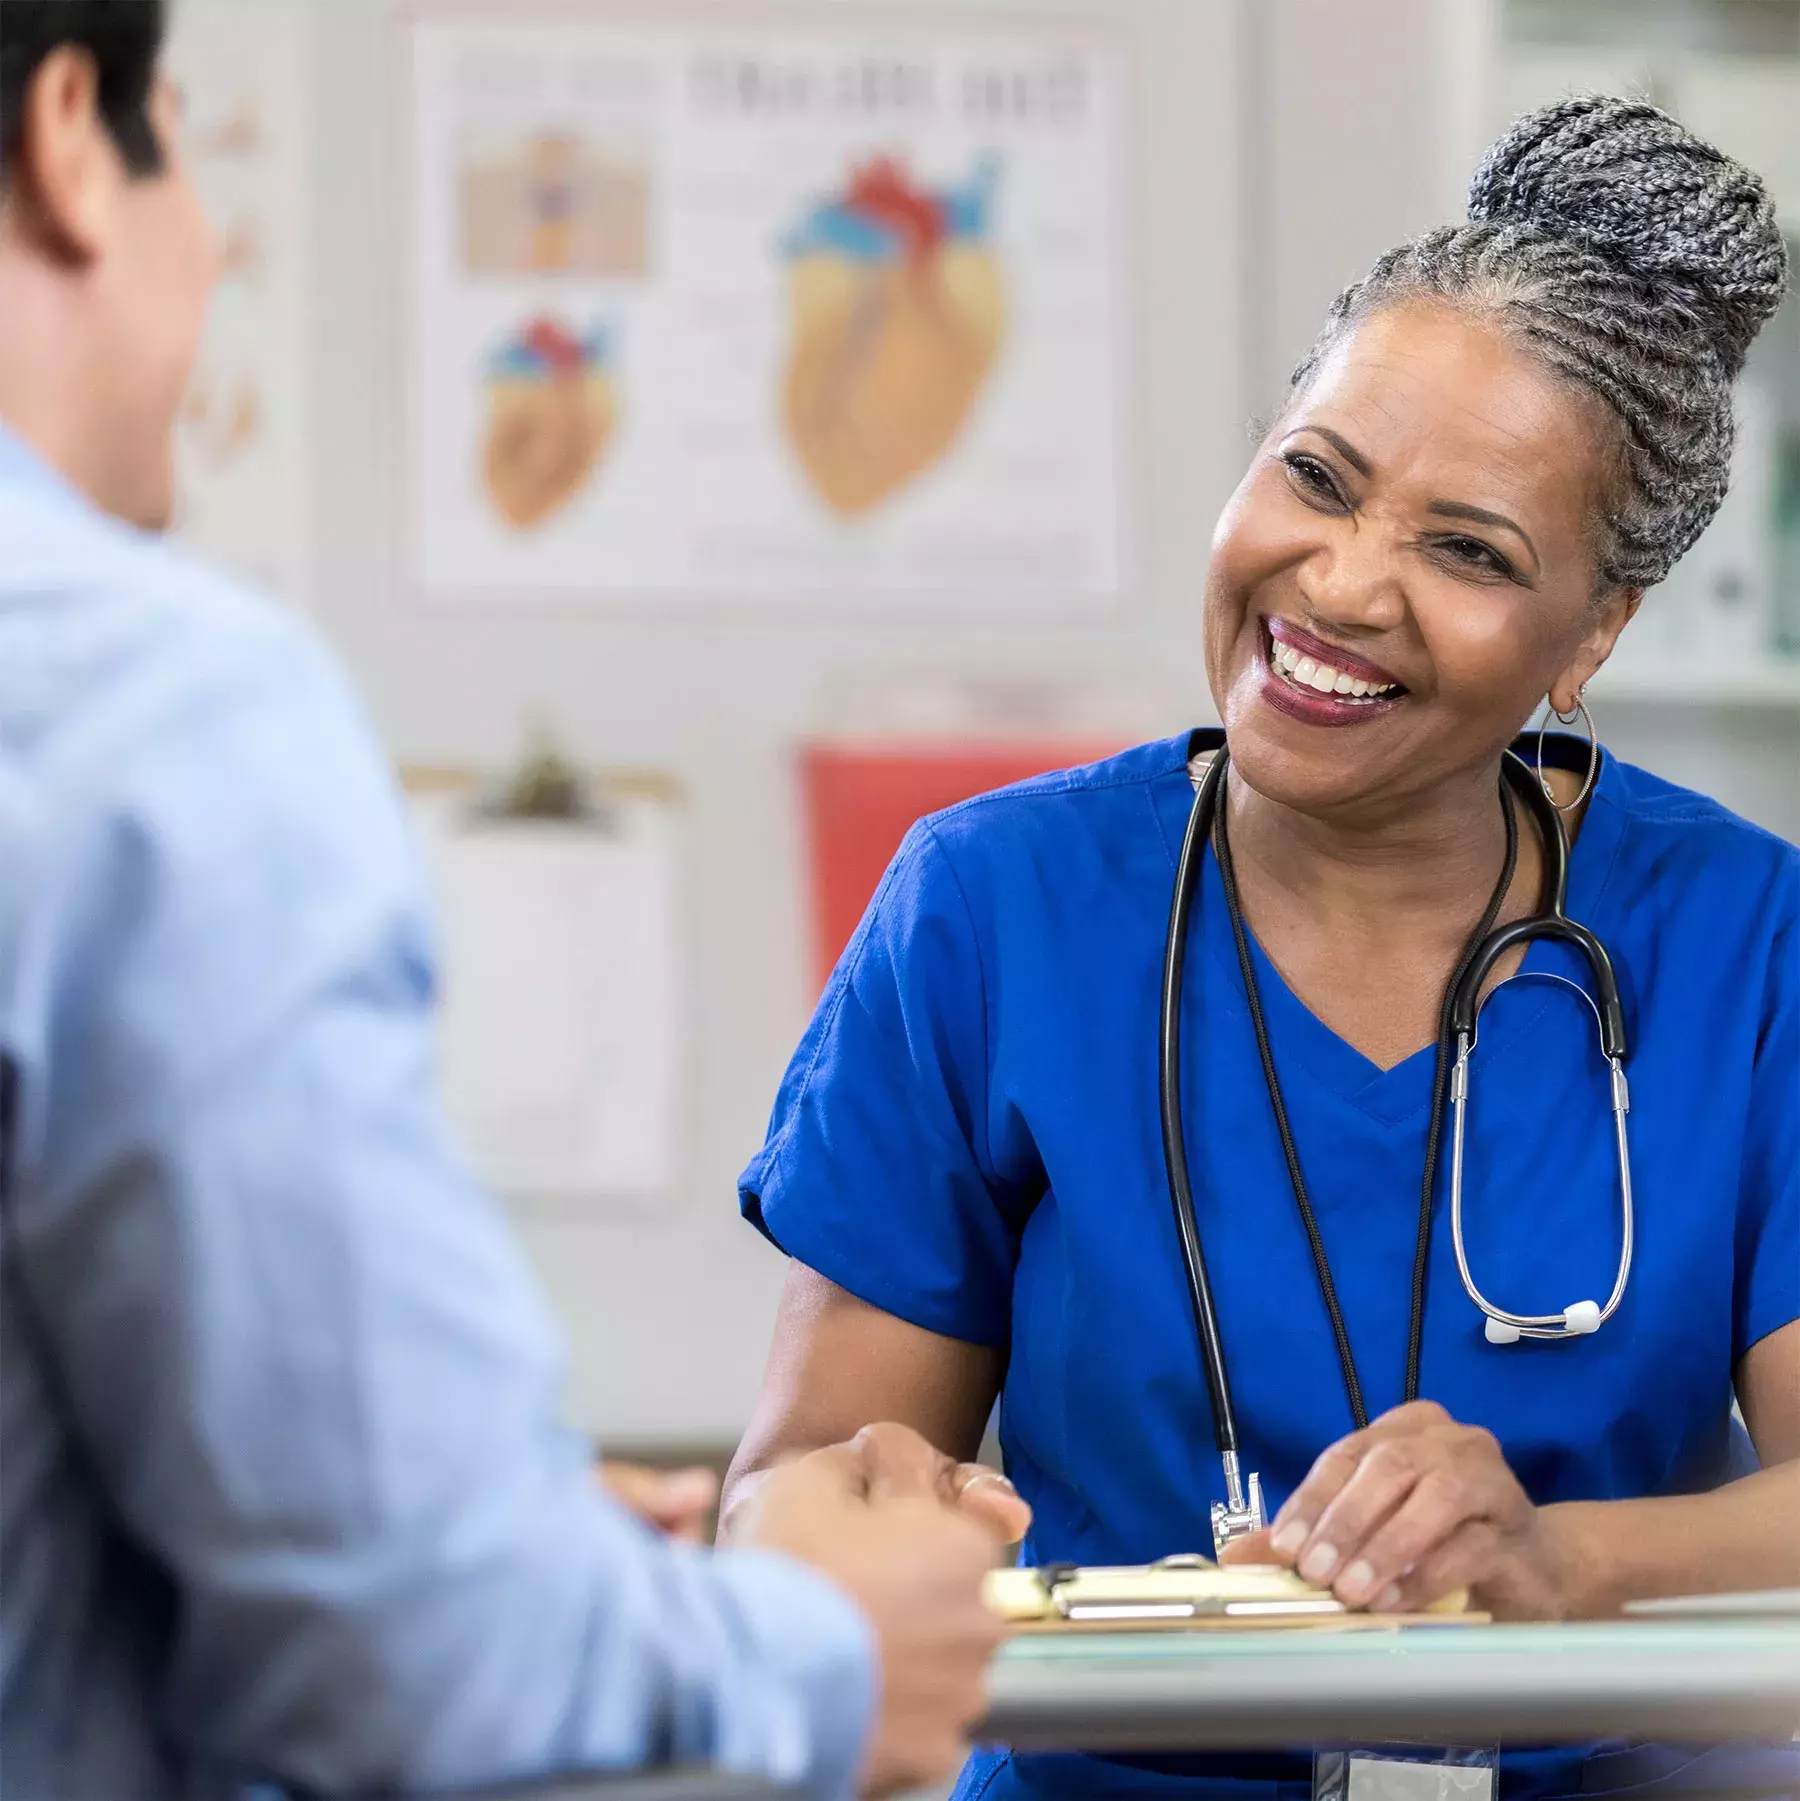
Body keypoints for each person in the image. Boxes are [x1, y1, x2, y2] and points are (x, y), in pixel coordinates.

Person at [0, 5, 1030, 1798]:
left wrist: (477, 1535)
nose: (215, 240)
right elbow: (412, 1669)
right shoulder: (143, 717)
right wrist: (825, 1648)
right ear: (75, 135)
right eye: (183, 131)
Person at [724, 97, 1800, 1800]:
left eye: (1468, 551)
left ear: (1590, 635)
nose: (1345, 585)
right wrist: (864, 1513)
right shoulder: (993, 910)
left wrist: (1563, 1568)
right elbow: (787, 1496)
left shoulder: (1751, 942)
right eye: (1318, 477)